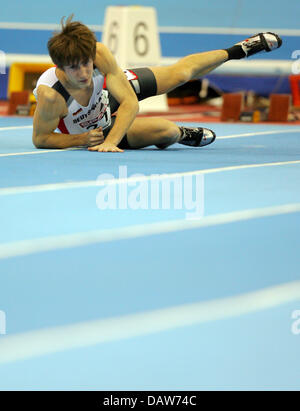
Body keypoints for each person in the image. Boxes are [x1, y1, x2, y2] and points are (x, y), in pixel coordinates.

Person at [32, 16, 282, 153]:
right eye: (75, 68)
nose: (85, 72)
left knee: (180, 74)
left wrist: (112, 143)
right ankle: (183, 134)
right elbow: (41, 139)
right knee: (167, 132)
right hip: (96, 131)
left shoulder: (99, 53)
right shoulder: (52, 96)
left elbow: (129, 102)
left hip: (109, 96)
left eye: (87, 63)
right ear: (60, 67)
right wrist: (85, 140)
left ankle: (239, 50)